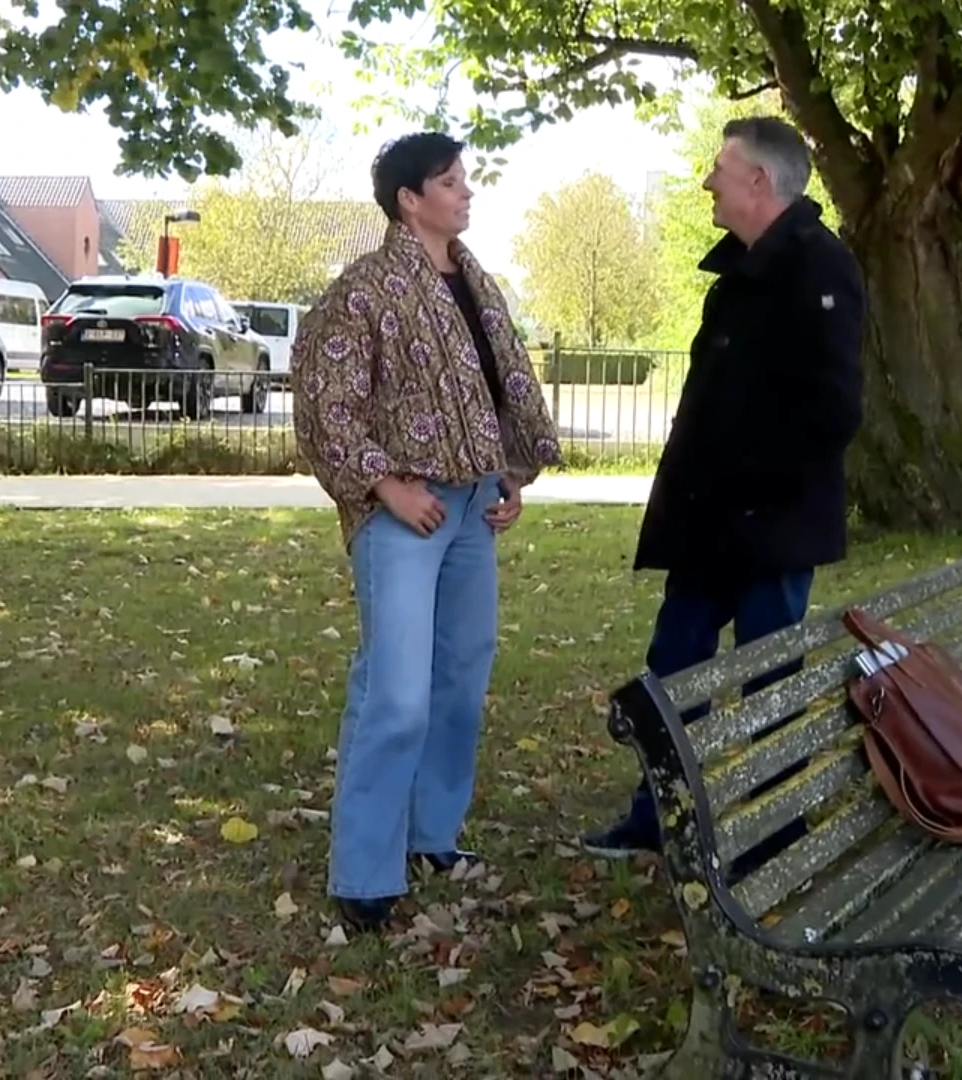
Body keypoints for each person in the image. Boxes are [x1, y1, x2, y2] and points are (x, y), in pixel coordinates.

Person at [290, 131, 564, 931]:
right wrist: (385, 485)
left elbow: (496, 388)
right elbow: (324, 406)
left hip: (474, 506)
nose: (466, 192)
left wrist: (507, 470)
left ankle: (431, 834)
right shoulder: (365, 290)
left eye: (463, 179)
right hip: (406, 513)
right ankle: (365, 874)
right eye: (450, 182)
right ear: (410, 200)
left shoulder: (475, 283)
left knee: (459, 684)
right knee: (397, 693)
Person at [581, 116, 866, 861]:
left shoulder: (819, 267)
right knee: (675, 675)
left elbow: (832, 411)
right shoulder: (739, 273)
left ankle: (776, 837)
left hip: (768, 531)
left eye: (718, 169)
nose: (706, 182)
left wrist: (753, 490)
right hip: (707, 528)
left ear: (758, 182)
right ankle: (657, 820)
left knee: (770, 683)